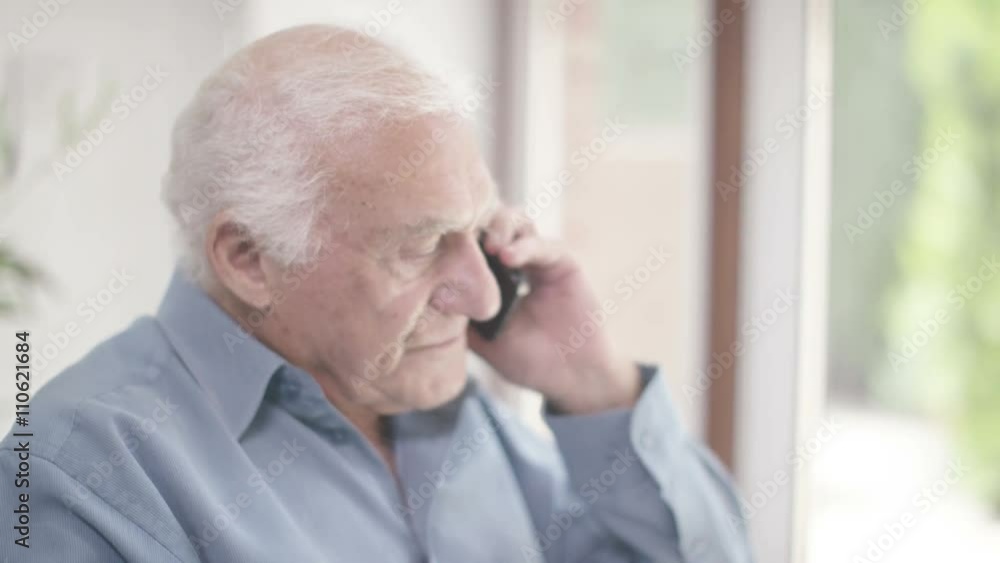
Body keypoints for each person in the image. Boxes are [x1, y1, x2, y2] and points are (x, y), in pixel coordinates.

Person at [0, 25, 753, 562]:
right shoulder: (77, 472)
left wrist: (593, 384)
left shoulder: (453, 409)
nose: (485, 297)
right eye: (423, 245)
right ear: (247, 257)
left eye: (478, 228)